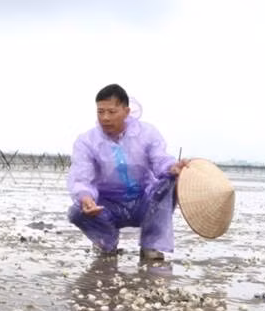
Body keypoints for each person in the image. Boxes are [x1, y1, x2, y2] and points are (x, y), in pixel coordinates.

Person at [67, 84, 188, 262]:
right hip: (107, 205)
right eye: (100, 112)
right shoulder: (86, 141)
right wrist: (86, 198)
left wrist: (172, 168)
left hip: (144, 201)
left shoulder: (147, 133)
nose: (105, 118)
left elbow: (160, 160)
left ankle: (151, 246)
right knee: (77, 211)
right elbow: (82, 176)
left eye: (111, 112)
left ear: (126, 111)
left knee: (171, 182)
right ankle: (106, 243)